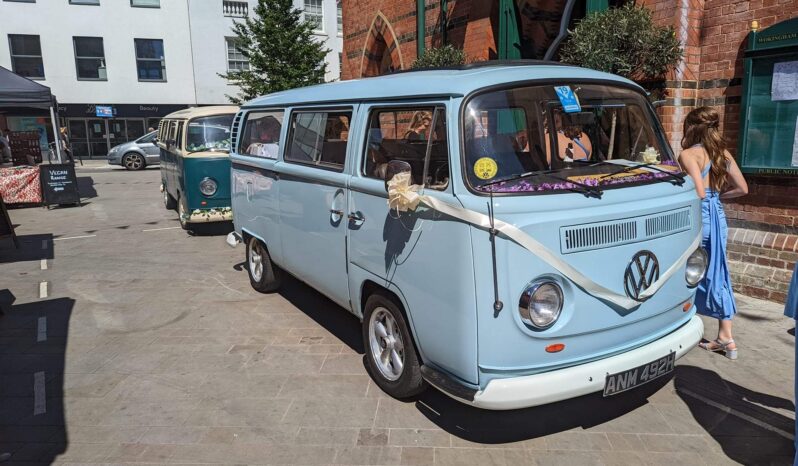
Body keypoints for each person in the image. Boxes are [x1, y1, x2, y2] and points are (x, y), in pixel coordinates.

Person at [678, 106, 748, 360]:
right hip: (718, 216)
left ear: (692, 127)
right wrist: (718, 196)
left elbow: (697, 192)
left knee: (685, 271)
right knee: (719, 270)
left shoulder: (688, 155)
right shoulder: (722, 153)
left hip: (699, 217)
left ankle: (681, 324)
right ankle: (725, 337)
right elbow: (742, 188)